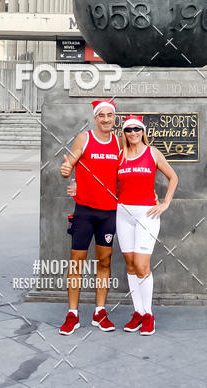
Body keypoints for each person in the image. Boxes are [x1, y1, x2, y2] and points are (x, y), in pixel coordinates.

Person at [58, 99, 121, 335]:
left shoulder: (119, 142)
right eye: (101, 115)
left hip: (108, 213)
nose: (106, 119)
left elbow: (126, 173)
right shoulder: (85, 139)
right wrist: (67, 173)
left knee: (104, 263)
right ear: (95, 118)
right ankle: (72, 314)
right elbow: (70, 164)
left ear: (115, 118)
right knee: (76, 264)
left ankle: (99, 312)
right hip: (84, 211)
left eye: (110, 115)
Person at [117, 116, 178, 336]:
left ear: (143, 131)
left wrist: (165, 203)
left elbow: (173, 177)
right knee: (131, 266)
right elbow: (103, 177)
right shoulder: (120, 155)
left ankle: (149, 314)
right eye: (128, 129)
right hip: (123, 214)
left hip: (147, 215)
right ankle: (138, 312)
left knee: (142, 265)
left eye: (136, 129)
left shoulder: (152, 153)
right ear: (124, 133)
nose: (133, 133)